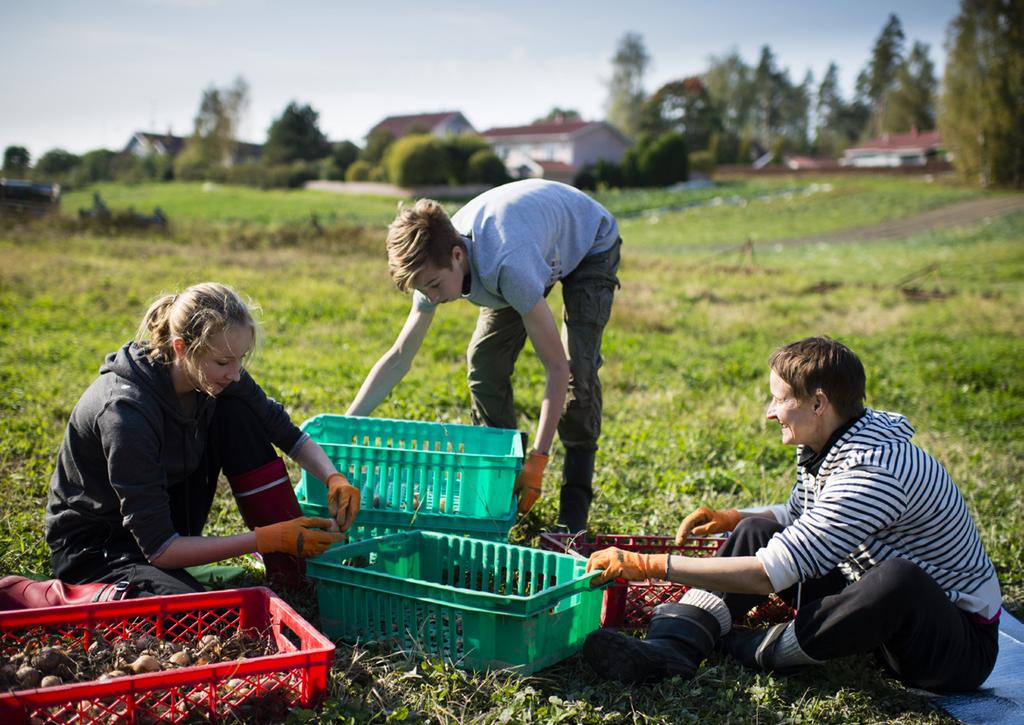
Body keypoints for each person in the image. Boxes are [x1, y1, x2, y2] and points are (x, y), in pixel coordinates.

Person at [583, 336, 1001, 692]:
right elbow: (803, 517)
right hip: (872, 613)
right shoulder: (830, 443)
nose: (769, 411)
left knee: (899, 578)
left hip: (951, 647)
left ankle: (760, 649)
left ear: (818, 403)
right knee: (758, 530)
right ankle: (668, 651)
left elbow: (770, 573)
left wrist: (649, 565)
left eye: (779, 399)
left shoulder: (873, 470)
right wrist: (735, 516)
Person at [43, 282, 361, 598]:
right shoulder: (126, 413)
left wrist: (333, 477)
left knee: (238, 409)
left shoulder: (214, 376)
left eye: (242, 359)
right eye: (223, 362)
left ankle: (291, 570)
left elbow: (285, 432)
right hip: (102, 548)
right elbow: (160, 549)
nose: (235, 373)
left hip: (165, 527)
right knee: (197, 612)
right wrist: (267, 539)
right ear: (181, 348)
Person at [346, 179, 622, 532]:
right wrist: (349, 423)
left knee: (577, 372)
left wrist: (539, 459)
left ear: (457, 255)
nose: (428, 297)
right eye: (421, 289)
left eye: (432, 286)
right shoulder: (432, 266)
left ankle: (573, 510)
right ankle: (506, 482)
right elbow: (400, 355)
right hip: (532, 244)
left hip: (588, 241)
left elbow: (556, 366)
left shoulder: (508, 267)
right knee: (484, 363)